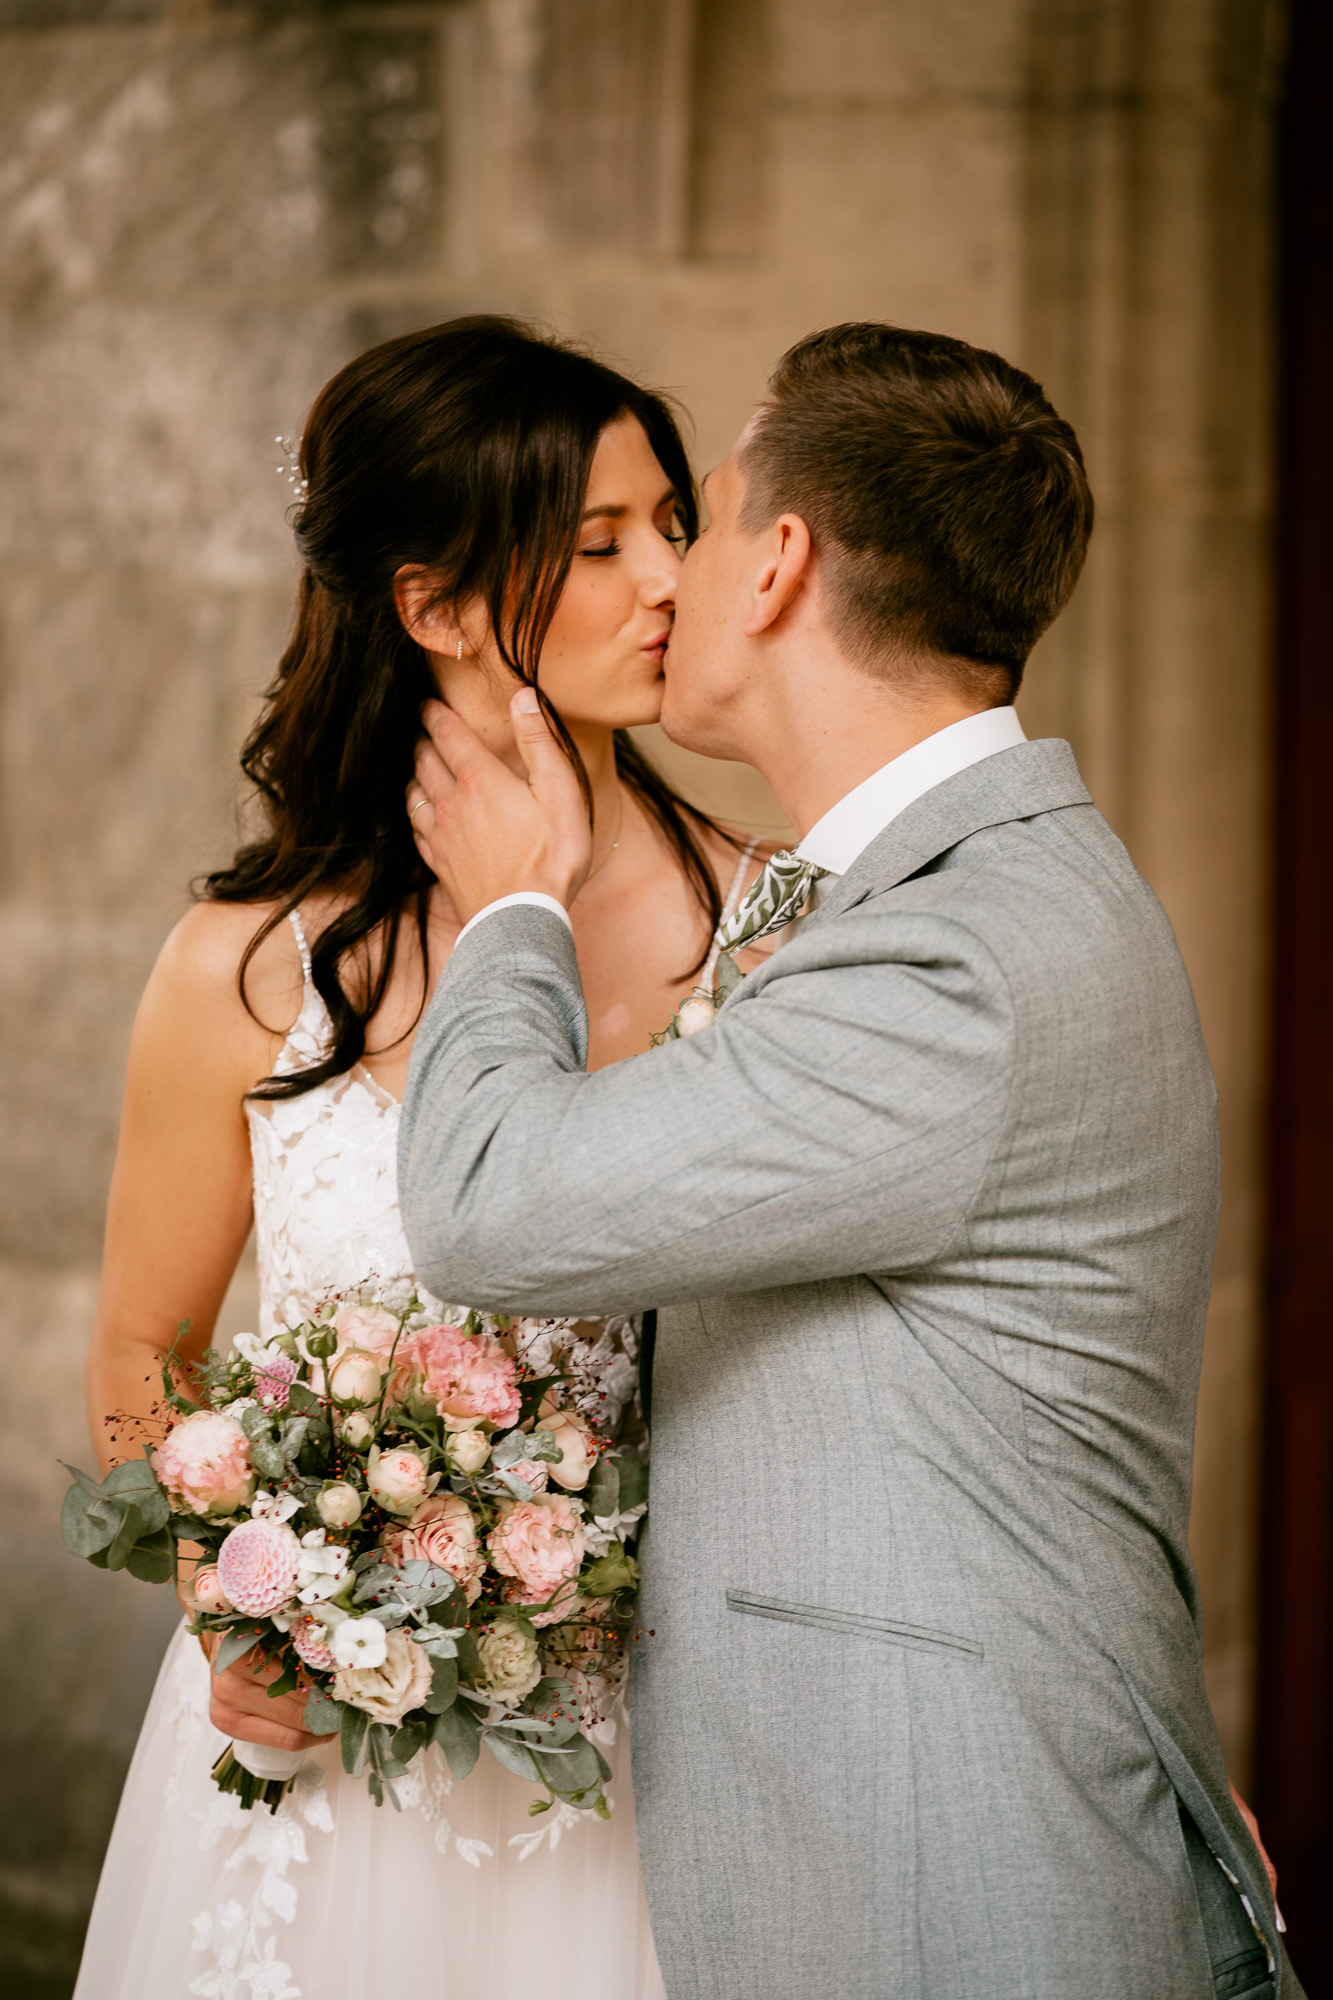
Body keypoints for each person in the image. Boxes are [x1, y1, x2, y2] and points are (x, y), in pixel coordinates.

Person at [398, 323, 1303, 1999]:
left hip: (949, 1885)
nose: (669, 573)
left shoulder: (961, 963)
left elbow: (484, 1197)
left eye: (706, 518)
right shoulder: (922, 899)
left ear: (780, 567)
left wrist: (516, 901)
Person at [75, 317, 772, 2000]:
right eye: (601, 543)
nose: (669, 576)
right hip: (312, 1771)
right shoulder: (250, 964)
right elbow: (137, 1361)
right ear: (436, 605)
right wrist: (234, 1599)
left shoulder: (770, 930)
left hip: (651, 1775)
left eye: (670, 523)